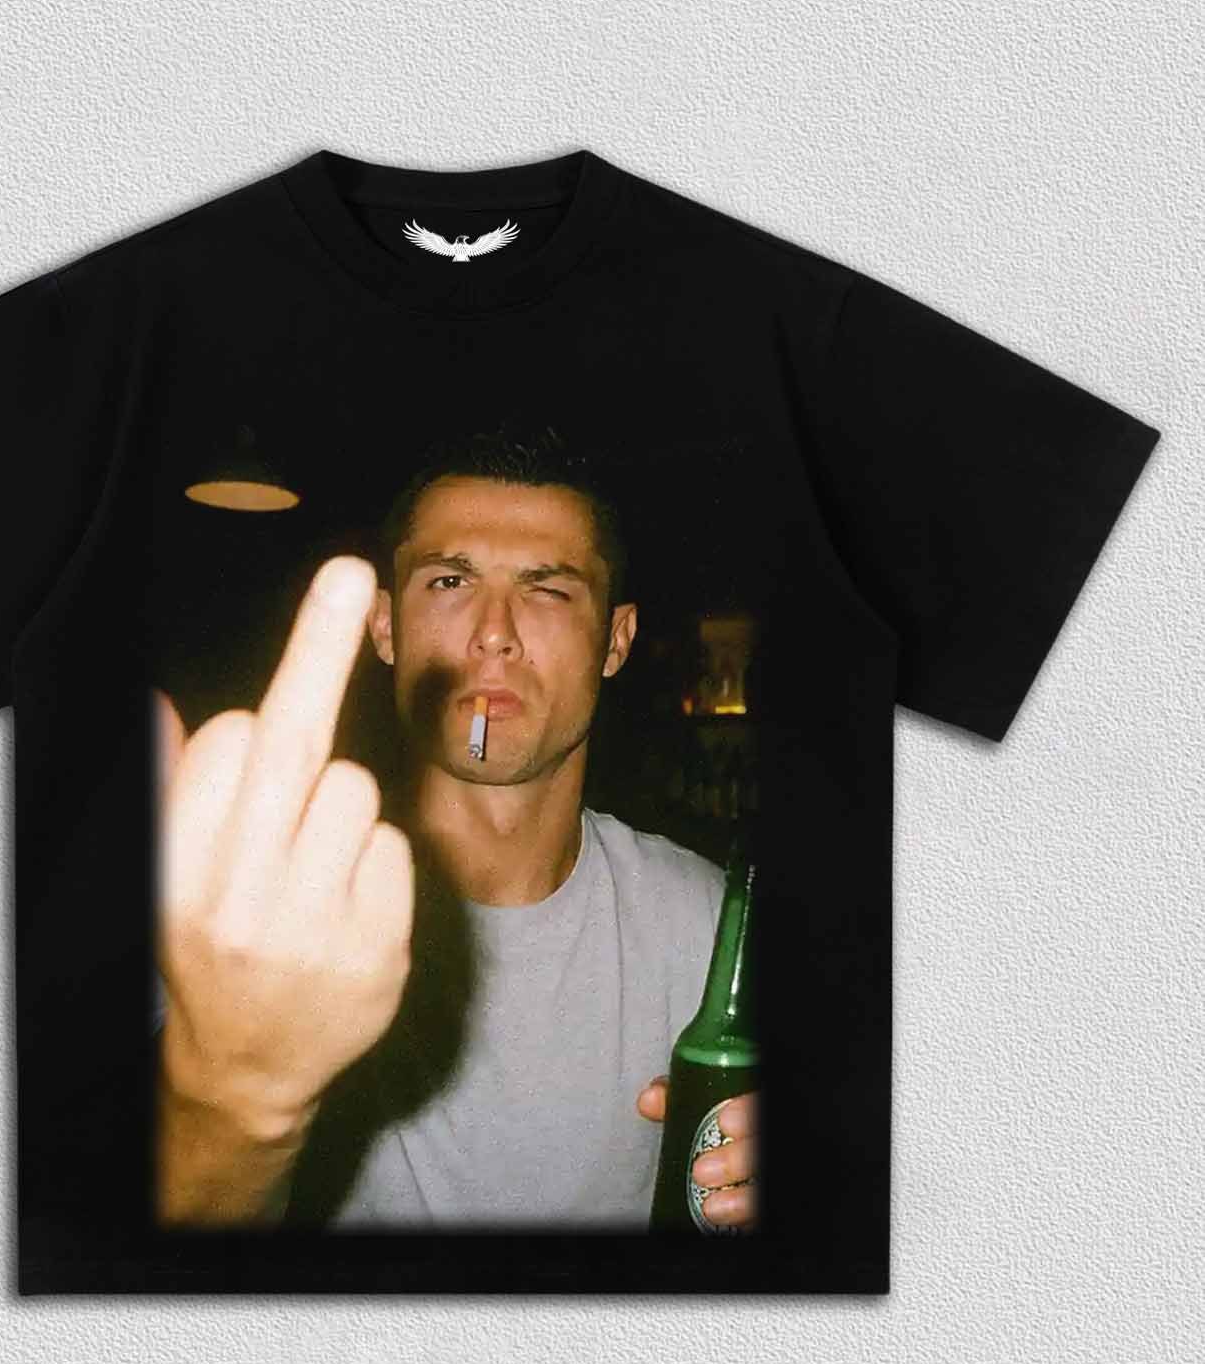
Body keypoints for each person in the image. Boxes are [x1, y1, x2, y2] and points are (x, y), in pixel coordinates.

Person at [152, 426, 760, 1229]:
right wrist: (233, 1099)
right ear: (384, 627)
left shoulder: (712, 928)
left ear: (616, 641)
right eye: (449, 581)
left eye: (548, 590)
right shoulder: (251, 905)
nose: (495, 631)